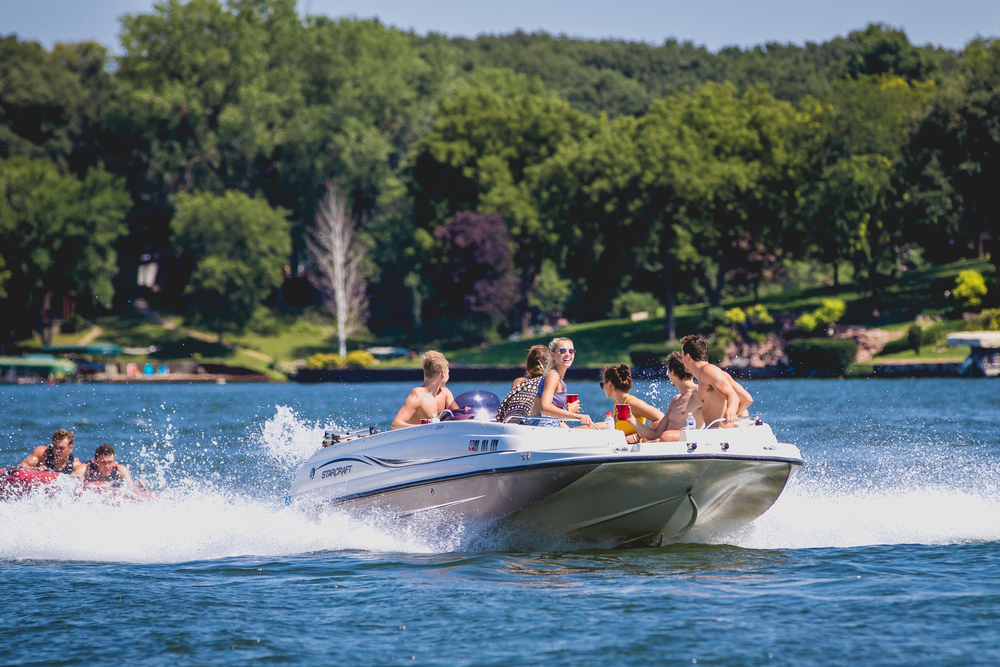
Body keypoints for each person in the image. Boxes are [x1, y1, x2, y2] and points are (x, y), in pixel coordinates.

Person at [628, 352, 702, 442]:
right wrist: (630, 418)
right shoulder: (676, 400)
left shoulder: (699, 392)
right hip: (668, 448)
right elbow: (656, 433)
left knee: (664, 437)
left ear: (672, 372)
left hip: (687, 449)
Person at [681, 334, 752, 427]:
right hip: (715, 432)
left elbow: (733, 395)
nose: (681, 360)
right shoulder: (714, 373)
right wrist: (729, 418)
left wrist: (731, 411)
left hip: (717, 434)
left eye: (681, 355)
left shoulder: (708, 371)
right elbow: (747, 398)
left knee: (665, 437)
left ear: (688, 357)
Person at [391, 351, 464, 429]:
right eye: (448, 372)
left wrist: (465, 411)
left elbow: (459, 417)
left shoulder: (445, 393)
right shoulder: (417, 395)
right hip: (419, 439)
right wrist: (425, 427)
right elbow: (396, 424)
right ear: (443, 373)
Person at [530, 337, 593, 426]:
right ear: (552, 355)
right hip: (545, 425)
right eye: (563, 351)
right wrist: (576, 416)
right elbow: (545, 407)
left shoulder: (557, 377)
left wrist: (569, 410)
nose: (568, 354)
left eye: (571, 351)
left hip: (548, 423)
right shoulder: (553, 376)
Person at [600, 363, 663, 441]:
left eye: (602, 384)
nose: (602, 388)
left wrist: (636, 437)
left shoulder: (632, 403)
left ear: (609, 384)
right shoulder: (617, 403)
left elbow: (662, 420)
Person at [496, 345, 550, 423]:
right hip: (528, 425)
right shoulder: (548, 382)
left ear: (528, 363)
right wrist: (569, 410)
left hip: (508, 422)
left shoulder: (519, 382)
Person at [19, 429, 86, 477]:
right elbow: (21, 466)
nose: (57, 451)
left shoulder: (75, 466)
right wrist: (35, 469)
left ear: (70, 449)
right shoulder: (42, 453)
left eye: (61, 448)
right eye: (55, 447)